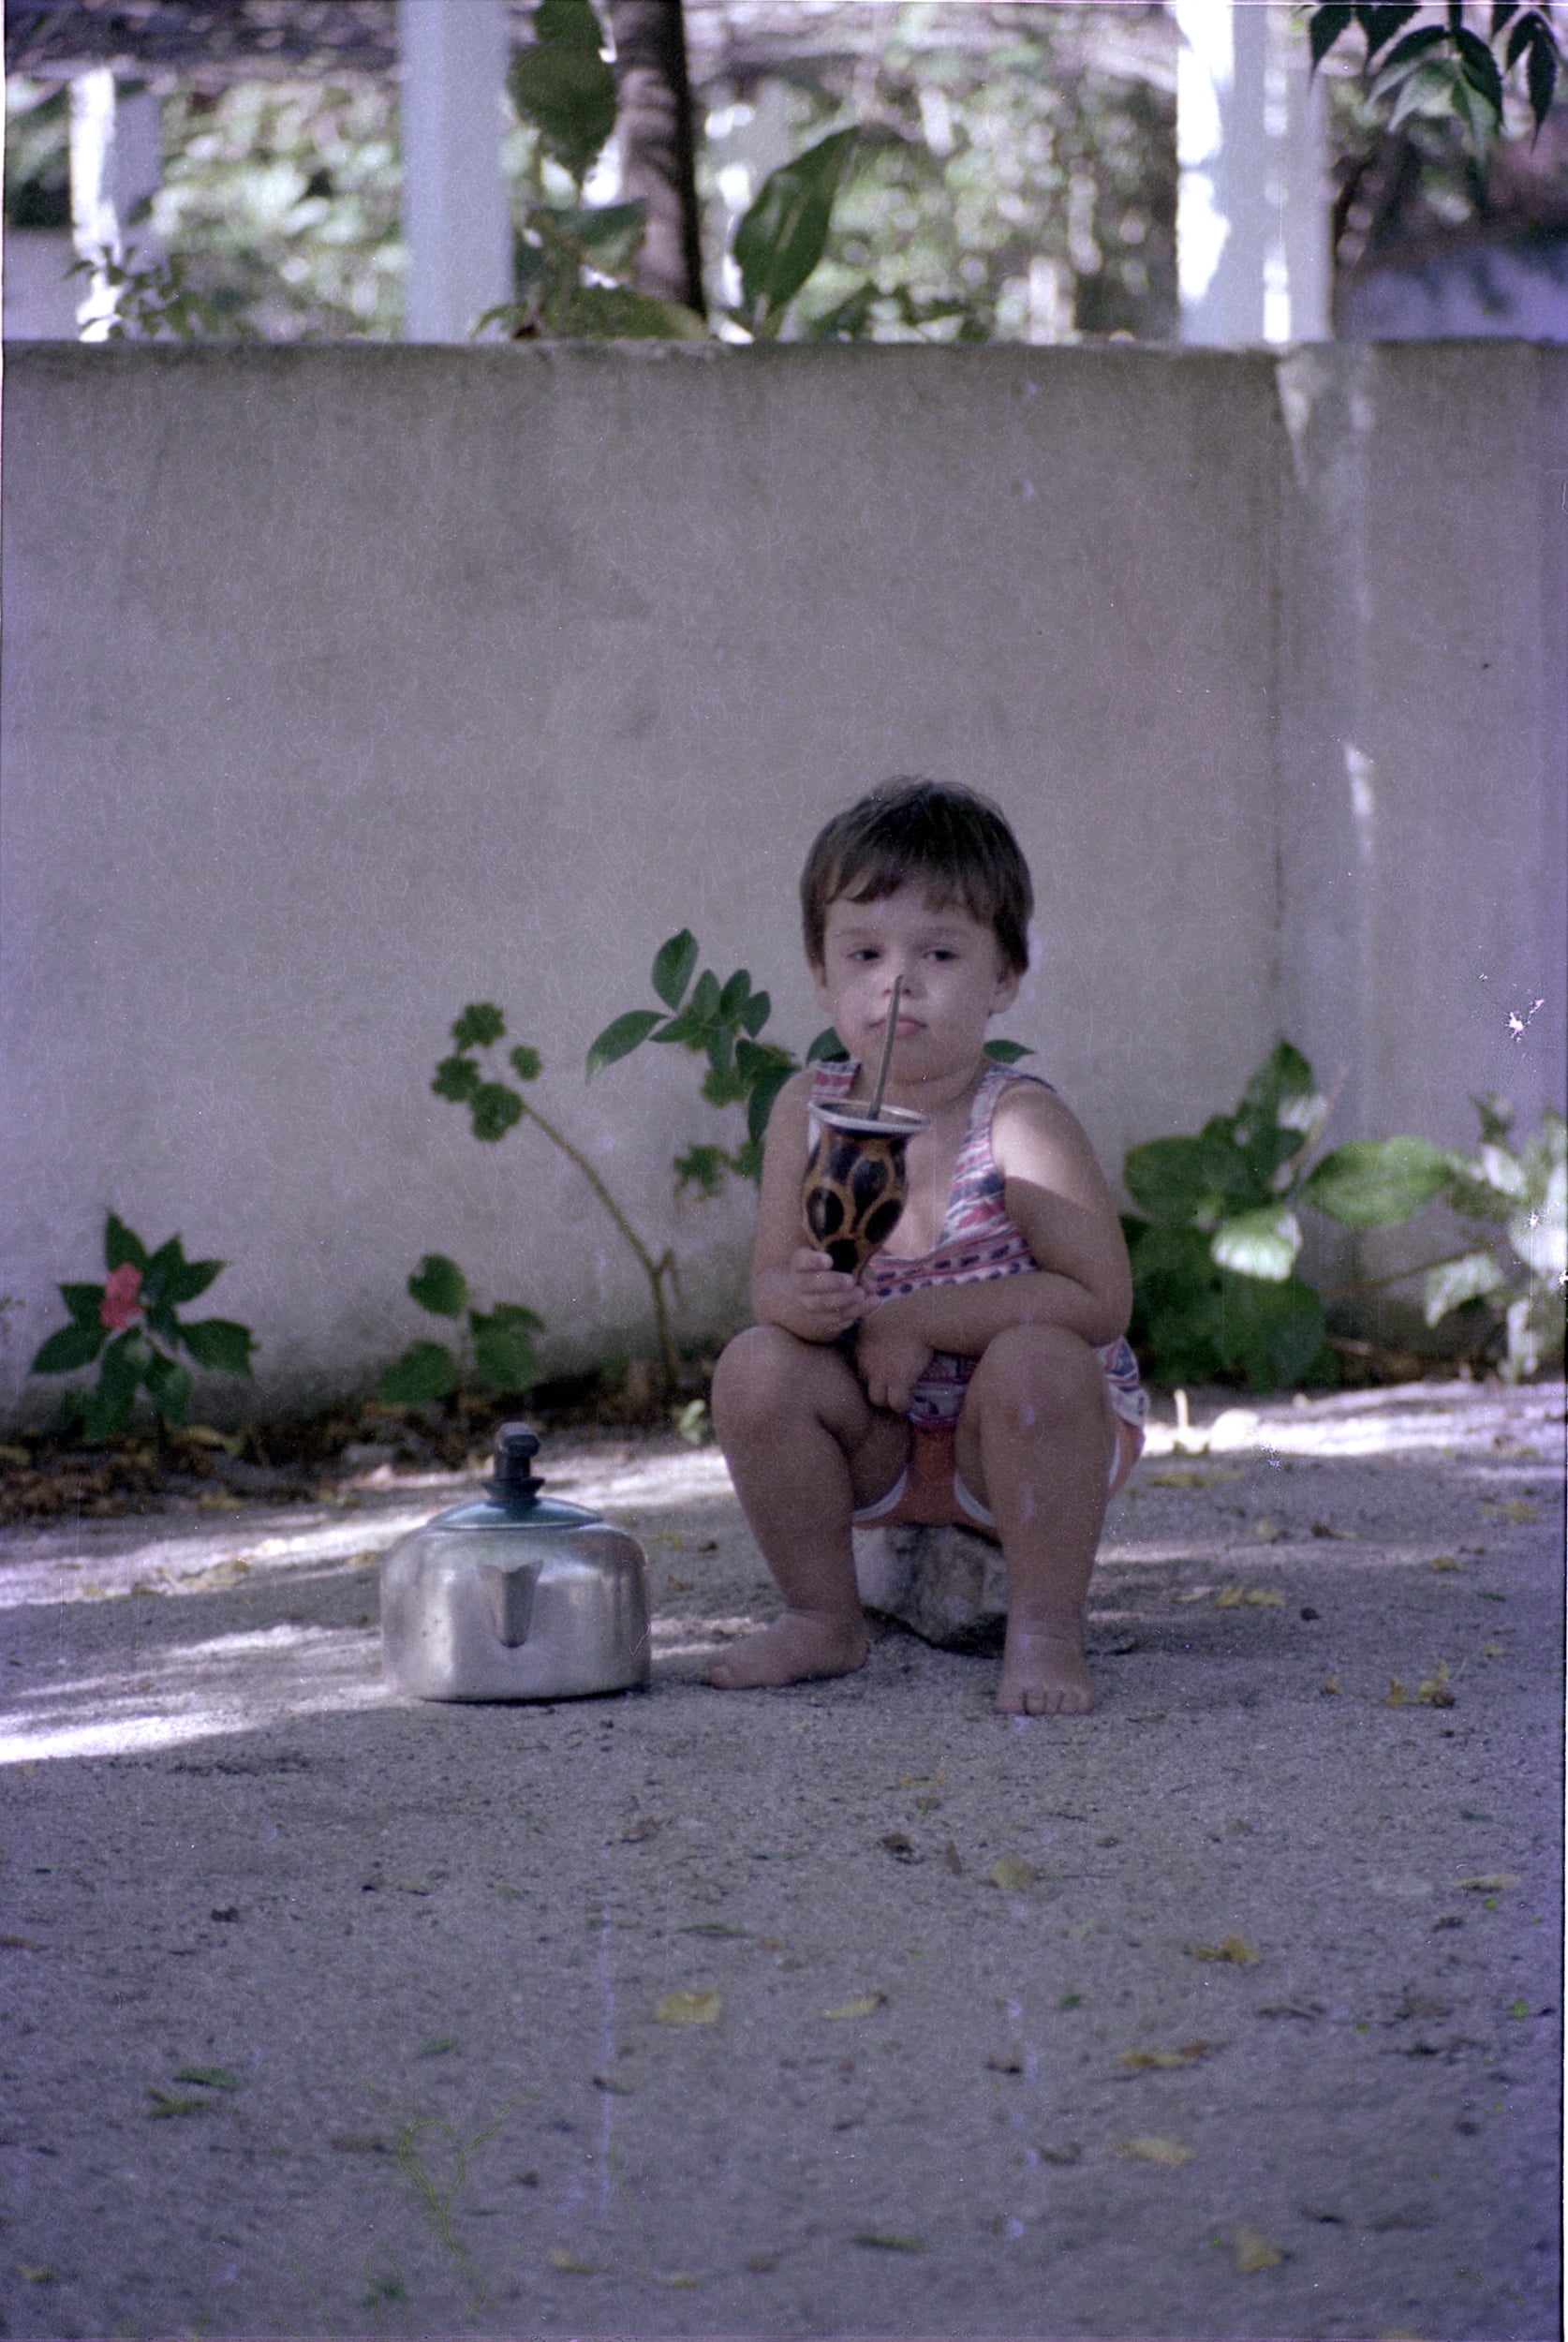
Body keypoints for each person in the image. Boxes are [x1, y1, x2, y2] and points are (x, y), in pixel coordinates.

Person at [705, 778, 1146, 1715]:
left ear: (1004, 978)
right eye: (864, 953)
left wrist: (916, 1318)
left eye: (939, 953)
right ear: (821, 975)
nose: (898, 982)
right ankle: (822, 1617)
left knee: (1040, 1361)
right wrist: (806, 1302)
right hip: (880, 1436)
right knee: (755, 1368)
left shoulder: (1017, 1121)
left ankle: (1044, 1629)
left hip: (1019, 1439)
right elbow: (770, 1283)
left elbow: (1099, 1298)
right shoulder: (807, 1109)